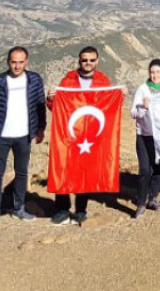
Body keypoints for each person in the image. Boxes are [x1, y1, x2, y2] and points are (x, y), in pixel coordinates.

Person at [46, 46, 111, 225]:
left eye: (91, 60)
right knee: (63, 168)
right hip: (69, 134)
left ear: (97, 61)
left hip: (90, 136)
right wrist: (51, 99)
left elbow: (108, 107)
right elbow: (57, 108)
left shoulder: (103, 81)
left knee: (85, 172)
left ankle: (81, 209)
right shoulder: (68, 80)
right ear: (79, 61)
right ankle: (62, 209)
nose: (88, 63)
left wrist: (119, 97)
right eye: (84, 60)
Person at [0, 46, 46, 227]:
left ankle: (18, 207)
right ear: (8, 62)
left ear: (26, 62)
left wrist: (41, 128)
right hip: (1, 136)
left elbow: (40, 105)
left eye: (21, 62)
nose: (17, 66)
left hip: (24, 135)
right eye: (14, 62)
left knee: (21, 173)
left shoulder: (34, 79)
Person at [130, 59, 160, 218]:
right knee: (145, 170)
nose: (154, 75)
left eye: (158, 72)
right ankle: (140, 203)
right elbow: (133, 113)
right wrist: (143, 107)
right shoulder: (143, 89)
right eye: (152, 72)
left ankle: (153, 198)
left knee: (159, 168)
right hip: (144, 135)